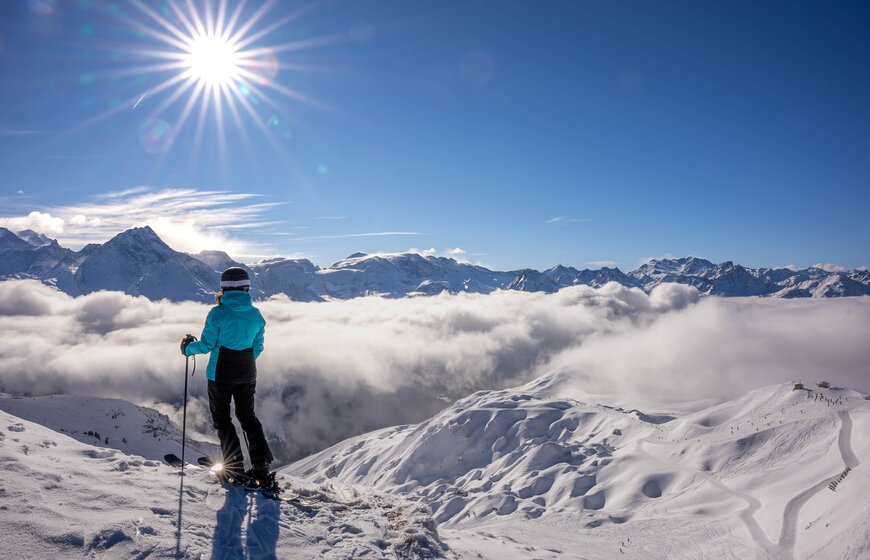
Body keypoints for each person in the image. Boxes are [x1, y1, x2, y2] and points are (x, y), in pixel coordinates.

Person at [180, 267, 273, 480]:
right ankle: (261, 465)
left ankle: (235, 468)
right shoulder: (256, 315)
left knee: (223, 420)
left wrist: (187, 349)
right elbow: (257, 347)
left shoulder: (217, 313)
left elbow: (206, 345)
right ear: (246, 287)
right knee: (247, 417)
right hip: (248, 372)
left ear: (223, 288)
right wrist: (243, 361)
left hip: (220, 374)